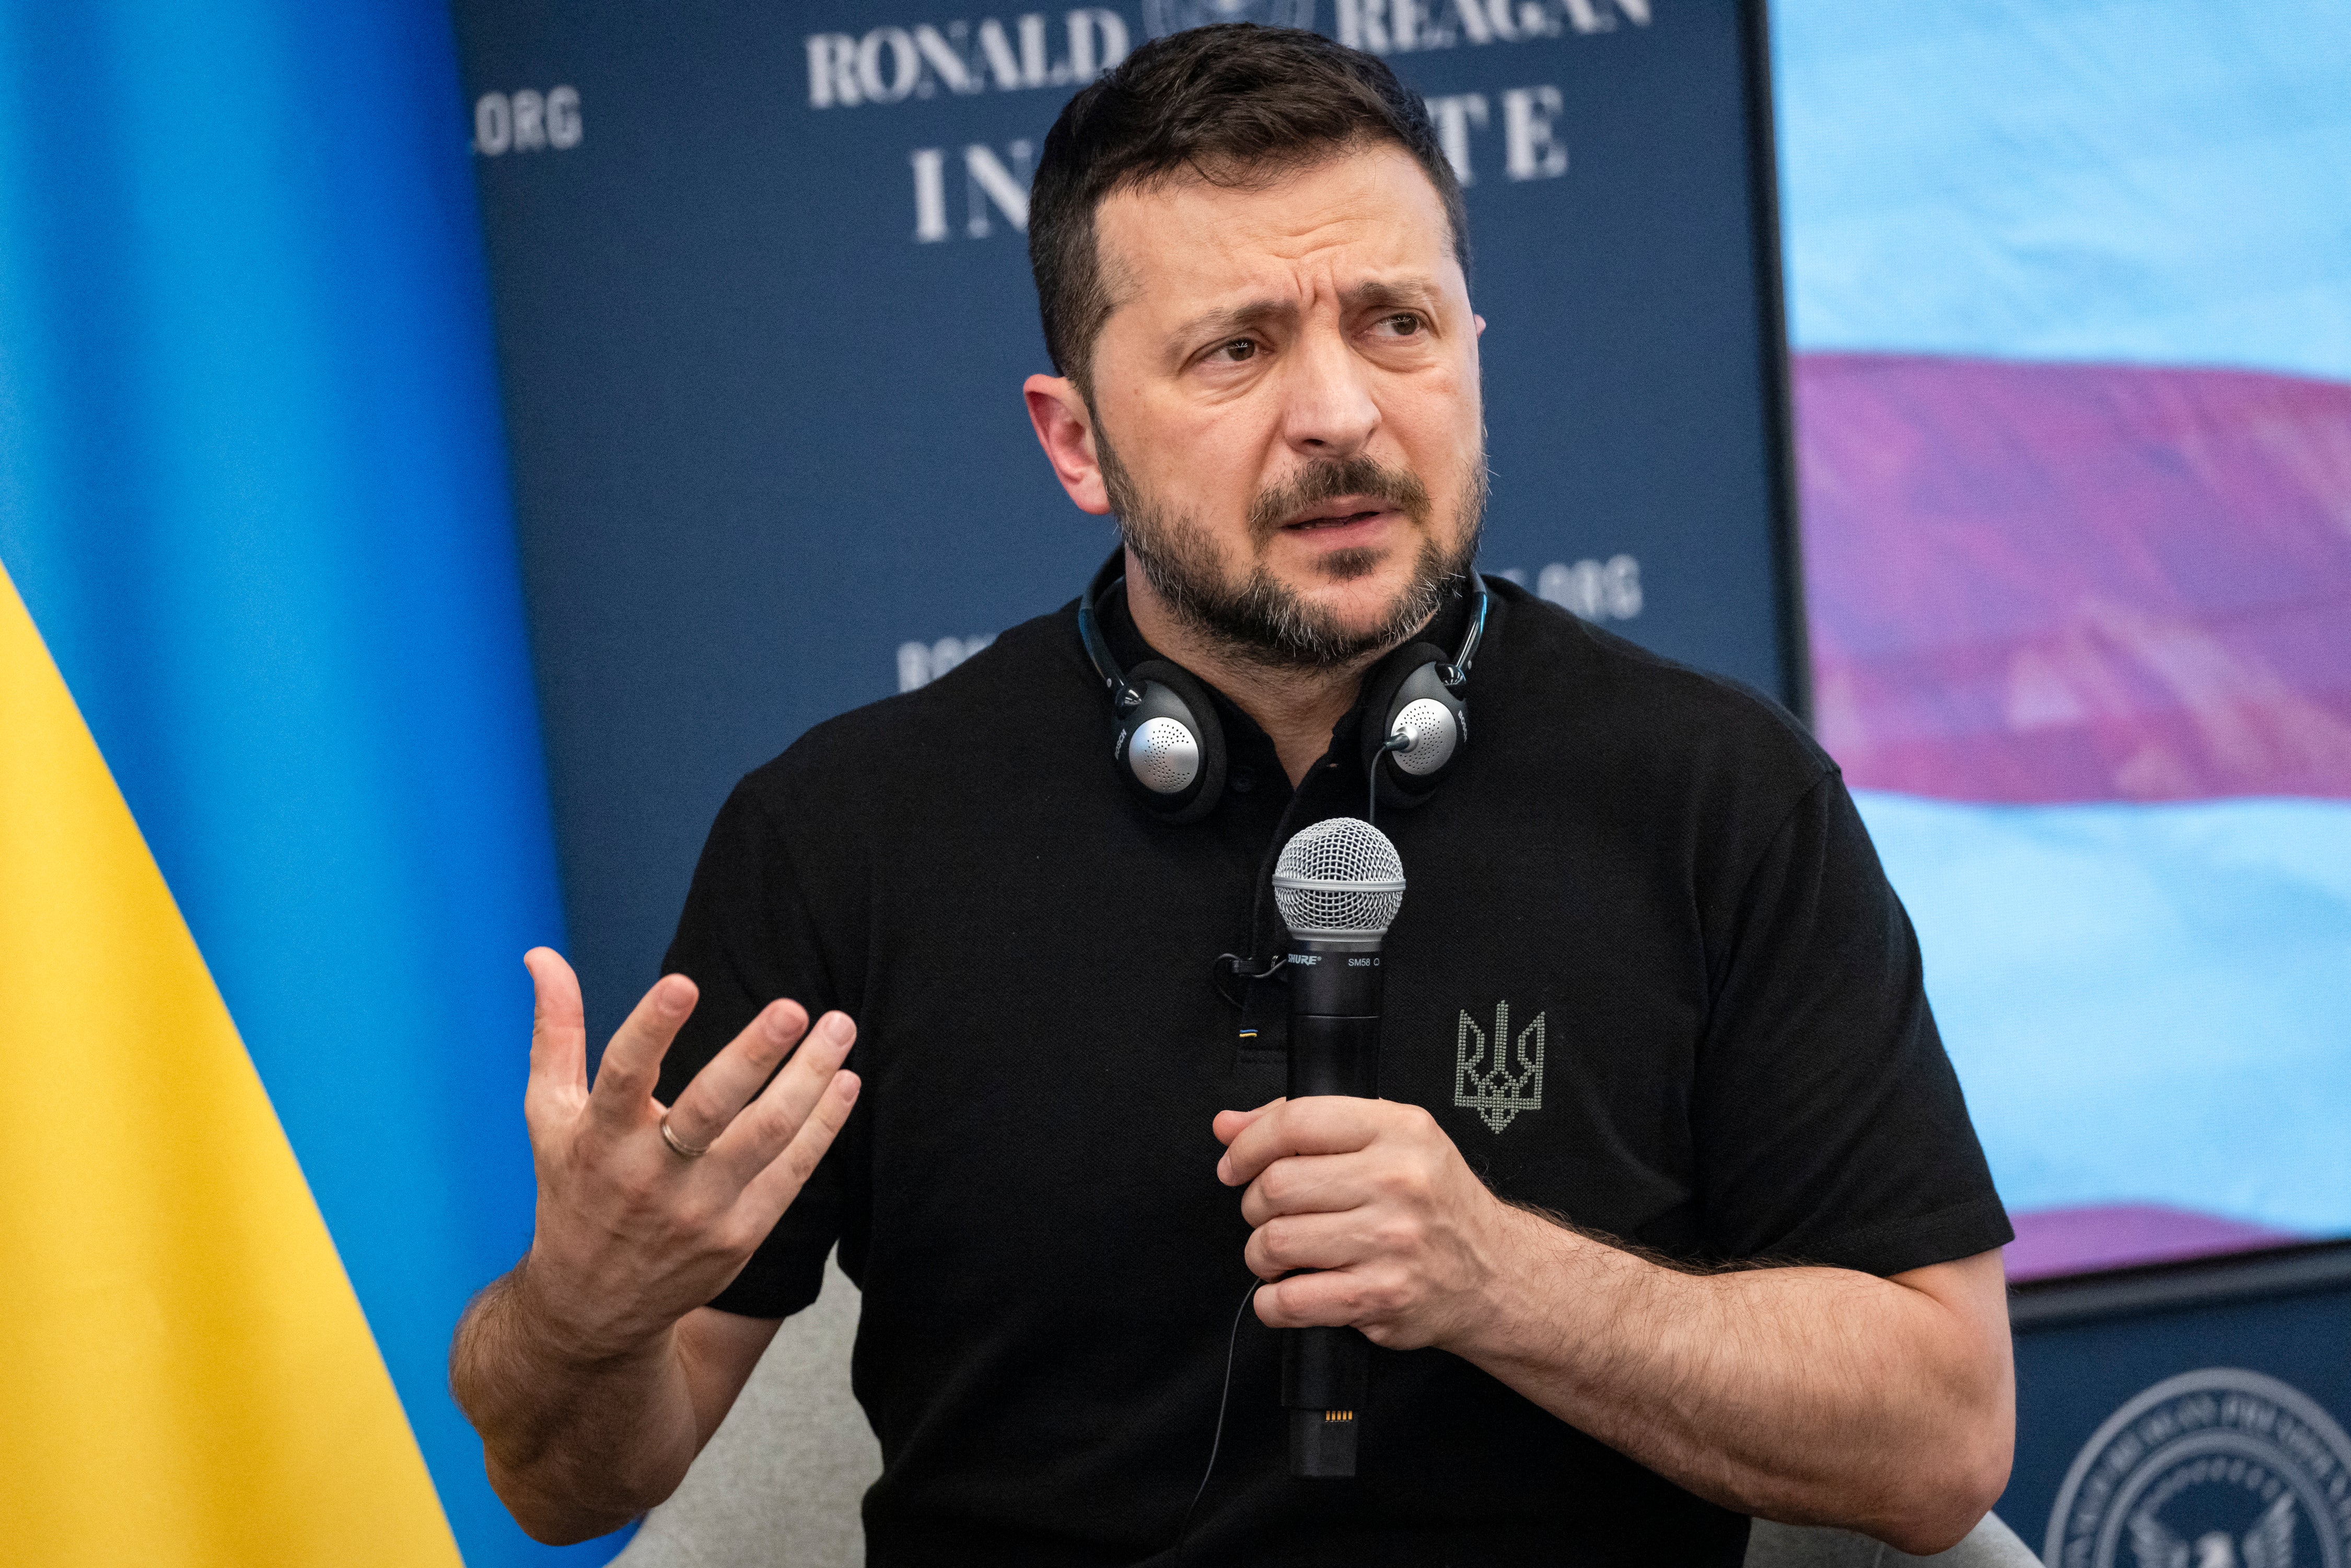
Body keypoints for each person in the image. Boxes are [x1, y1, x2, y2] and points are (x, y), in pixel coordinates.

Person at [450, 23, 2016, 1566]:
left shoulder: (1713, 798)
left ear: (1473, 355)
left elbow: (1941, 1441)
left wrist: (1503, 1281)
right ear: (1076, 441)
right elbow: (566, 1485)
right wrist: (577, 1318)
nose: (1338, 412)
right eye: (1237, 347)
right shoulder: (842, 838)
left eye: (1395, 324)